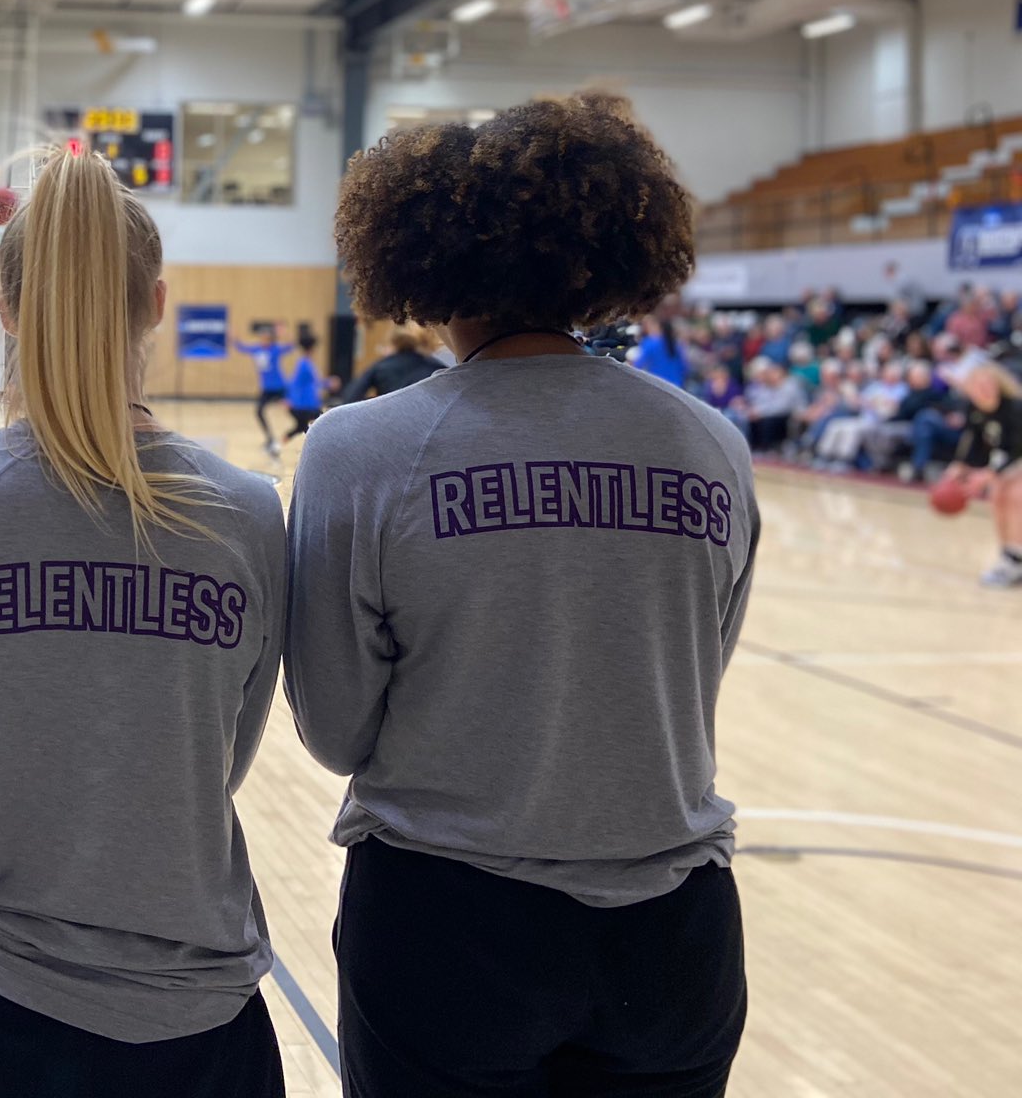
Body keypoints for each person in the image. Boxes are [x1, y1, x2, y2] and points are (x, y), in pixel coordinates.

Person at [289, 91, 754, 1097]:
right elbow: (695, 671)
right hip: (676, 932)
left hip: (447, 923)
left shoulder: (359, 450)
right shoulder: (711, 444)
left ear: (416, 256)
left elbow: (334, 730)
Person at [0, 145, 287, 1098]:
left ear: (8, 312)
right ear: (157, 304)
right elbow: (224, 755)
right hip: (199, 1015)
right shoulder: (247, 511)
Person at [939, 360, 1022, 588]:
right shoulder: (974, 410)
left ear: (999, 385)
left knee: (1016, 496)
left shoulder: (1015, 408)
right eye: (978, 386)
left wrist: (989, 474)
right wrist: (960, 466)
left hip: (1017, 454)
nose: (984, 390)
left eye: (988, 384)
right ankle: (1009, 555)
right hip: (1009, 458)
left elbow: (1016, 448)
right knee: (997, 497)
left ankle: (1016, 558)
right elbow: (975, 443)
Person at [338, 326, 442, 404]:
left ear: (393, 344)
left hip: (389, 419)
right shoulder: (435, 367)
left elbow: (351, 396)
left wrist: (372, 403)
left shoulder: (381, 366)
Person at [233, 322, 290, 456]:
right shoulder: (256, 349)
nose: (263, 339)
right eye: (261, 337)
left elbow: (290, 345)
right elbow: (241, 347)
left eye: (266, 337)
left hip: (280, 388)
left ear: (270, 339)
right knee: (259, 411)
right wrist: (234, 337)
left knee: (294, 411)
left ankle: (306, 428)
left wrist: (284, 333)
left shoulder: (275, 349)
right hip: (266, 390)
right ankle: (270, 438)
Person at [282, 334, 323, 443]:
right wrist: (288, 398)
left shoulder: (305, 363)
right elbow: (294, 383)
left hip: (307, 404)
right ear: (312, 349)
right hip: (304, 405)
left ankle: (280, 443)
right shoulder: (304, 364)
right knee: (319, 422)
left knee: (302, 427)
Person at [630, 314, 689, 386]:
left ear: (658, 327)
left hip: (657, 386)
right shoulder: (678, 345)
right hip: (676, 387)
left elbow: (638, 365)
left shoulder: (650, 342)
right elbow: (684, 369)